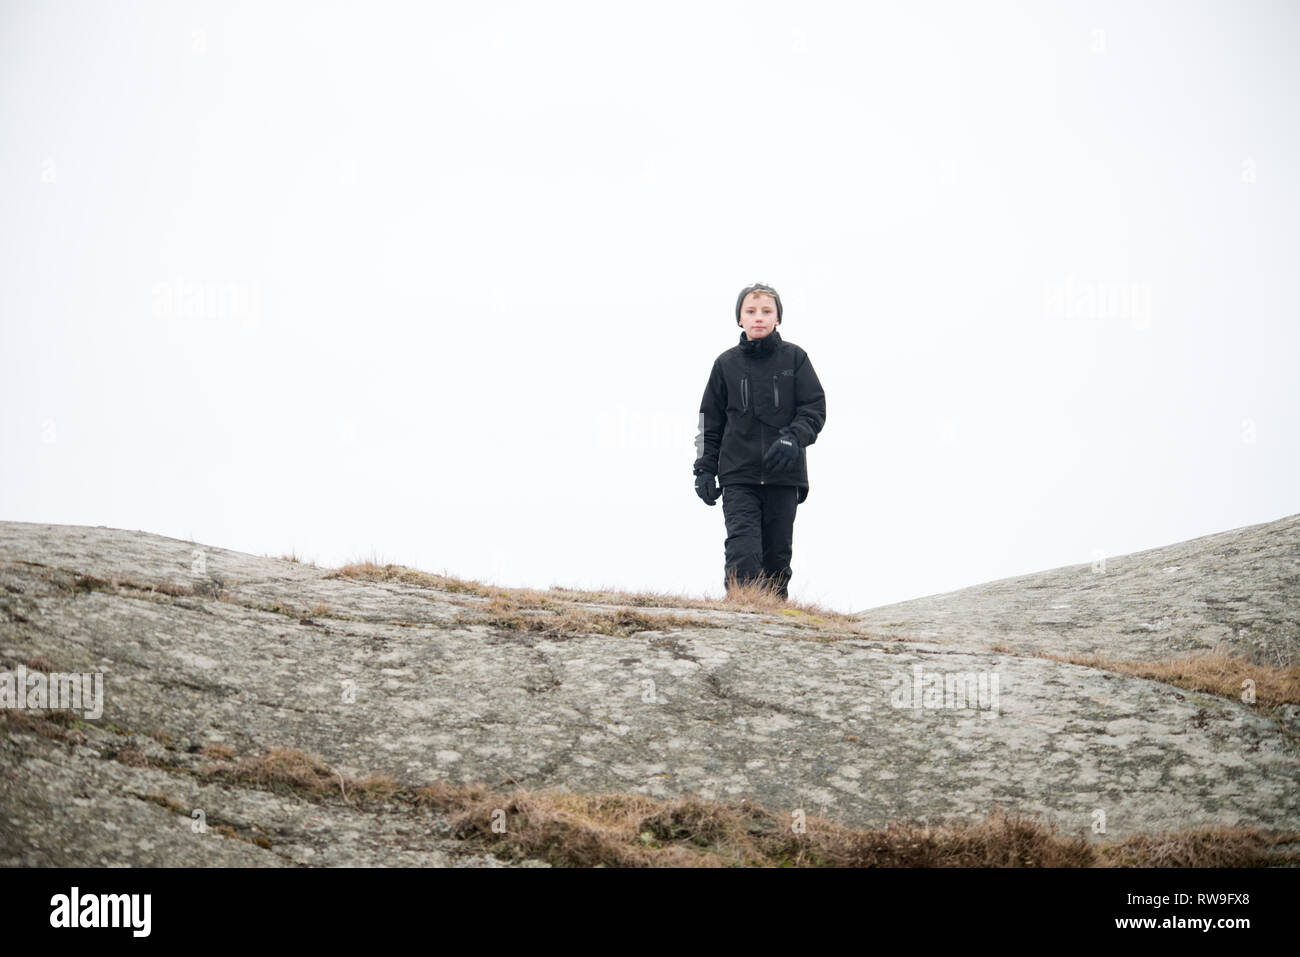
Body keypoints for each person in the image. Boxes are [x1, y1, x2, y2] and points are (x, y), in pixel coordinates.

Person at [692, 282, 827, 601]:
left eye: (767, 311)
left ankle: (774, 625)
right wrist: (703, 471)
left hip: (784, 476)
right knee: (743, 551)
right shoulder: (725, 365)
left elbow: (814, 408)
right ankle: (742, 616)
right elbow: (709, 423)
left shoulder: (796, 359)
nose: (759, 318)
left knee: (777, 558)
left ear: (778, 318)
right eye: (750, 311)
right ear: (739, 319)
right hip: (739, 476)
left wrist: (793, 440)